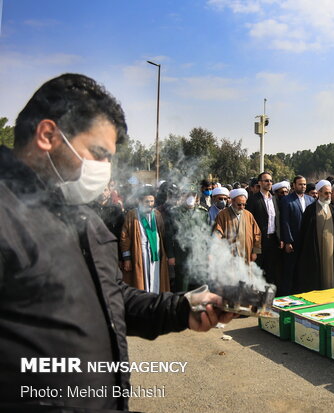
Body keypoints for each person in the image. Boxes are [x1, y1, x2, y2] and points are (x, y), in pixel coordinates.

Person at [0, 73, 234, 410]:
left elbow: (111, 296)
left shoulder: (79, 216)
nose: (105, 170)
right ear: (48, 135)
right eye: (98, 153)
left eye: (110, 158)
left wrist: (182, 309)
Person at [296, 180, 334, 291]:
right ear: (319, 193)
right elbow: (305, 231)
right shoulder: (310, 210)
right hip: (315, 246)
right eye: (326, 193)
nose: (328, 196)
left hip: (332, 246)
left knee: (330, 270)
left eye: (330, 193)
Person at [120, 186, 172, 292]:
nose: (150, 204)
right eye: (146, 201)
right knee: (141, 284)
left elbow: (162, 234)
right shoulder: (132, 215)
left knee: (156, 283)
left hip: (155, 255)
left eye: (152, 201)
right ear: (139, 201)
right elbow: (125, 238)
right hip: (139, 254)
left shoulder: (157, 214)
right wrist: (127, 258)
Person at [166, 190, 212, 291]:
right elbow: (169, 236)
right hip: (182, 255)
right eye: (188, 195)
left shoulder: (203, 212)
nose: (190, 197)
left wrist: (209, 252)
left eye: (193, 195)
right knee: (182, 285)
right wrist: (171, 256)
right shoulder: (175, 213)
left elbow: (207, 234)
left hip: (199, 255)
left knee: (199, 284)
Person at [246, 172, 283, 287]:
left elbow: (278, 220)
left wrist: (280, 238)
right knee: (258, 270)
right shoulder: (253, 200)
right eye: (266, 180)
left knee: (272, 270)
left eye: (271, 181)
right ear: (260, 183)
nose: (269, 183)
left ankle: (270, 295)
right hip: (259, 241)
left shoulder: (275, 199)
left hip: (273, 240)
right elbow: (249, 222)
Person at [280, 175, 315, 294]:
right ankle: (287, 296)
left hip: (306, 242)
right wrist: (288, 241)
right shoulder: (286, 200)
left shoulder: (310, 200)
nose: (303, 186)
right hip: (293, 242)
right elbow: (285, 221)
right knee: (290, 270)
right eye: (300, 184)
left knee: (304, 269)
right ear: (294, 185)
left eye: (304, 184)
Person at [213, 188, 261, 265]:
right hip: (229, 254)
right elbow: (217, 232)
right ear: (232, 201)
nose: (242, 207)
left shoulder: (248, 215)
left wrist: (255, 251)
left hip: (246, 253)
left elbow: (256, 233)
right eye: (239, 204)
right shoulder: (222, 214)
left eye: (244, 204)